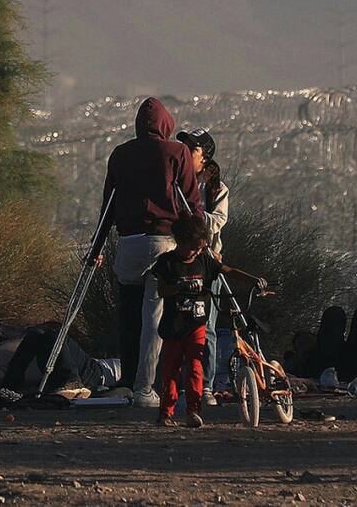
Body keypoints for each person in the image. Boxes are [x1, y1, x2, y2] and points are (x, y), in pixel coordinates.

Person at [102, 97, 203, 408]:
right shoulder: (177, 152)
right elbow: (191, 200)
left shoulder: (120, 154)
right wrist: (200, 238)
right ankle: (146, 388)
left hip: (129, 243)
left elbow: (108, 205)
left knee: (129, 314)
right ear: (165, 124)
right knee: (153, 318)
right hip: (163, 242)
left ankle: (127, 380)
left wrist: (96, 247)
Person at [149, 215, 265, 428]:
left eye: (200, 248)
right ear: (181, 242)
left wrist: (253, 280)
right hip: (173, 326)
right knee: (170, 371)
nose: (197, 252)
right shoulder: (167, 263)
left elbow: (227, 270)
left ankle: (194, 411)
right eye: (194, 247)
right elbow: (162, 290)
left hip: (197, 325)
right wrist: (181, 288)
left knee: (195, 367)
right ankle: (166, 413)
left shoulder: (203, 260)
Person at [177, 130, 231, 408]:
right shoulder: (177, 184)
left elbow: (216, 223)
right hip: (182, 263)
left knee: (205, 326)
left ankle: (205, 385)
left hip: (207, 263)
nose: (185, 153)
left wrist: (192, 213)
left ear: (204, 157)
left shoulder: (215, 191)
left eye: (192, 149)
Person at [0, 323, 121, 396]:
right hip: (89, 367)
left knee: (56, 336)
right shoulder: (131, 362)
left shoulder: (136, 373)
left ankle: (72, 380)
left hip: (94, 374)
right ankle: (11, 383)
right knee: (35, 335)